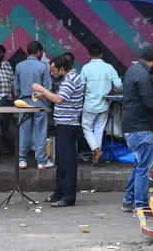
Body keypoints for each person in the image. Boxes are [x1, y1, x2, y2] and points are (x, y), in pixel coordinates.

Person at [32, 56, 84, 207]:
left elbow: (59, 100)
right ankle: (59, 193)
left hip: (68, 125)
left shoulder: (70, 79)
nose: (53, 74)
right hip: (63, 124)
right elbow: (61, 96)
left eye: (54, 71)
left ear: (62, 69)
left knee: (67, 162)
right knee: (61, 162)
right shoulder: (69, 78)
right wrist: (43, 95)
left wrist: (42, 89)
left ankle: (68, 197)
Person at [121, 45, 153, 213]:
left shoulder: (133, 70)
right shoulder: (143, 75)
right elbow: (151, 104)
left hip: (132, 126)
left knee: (139, 164)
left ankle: (128, 200)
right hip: (140, 127)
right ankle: (140, 204)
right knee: (144, 167)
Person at [13, 40, 54, 170]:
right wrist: (47, 102)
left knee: (24, 132)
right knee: (40, 132)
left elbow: (16, 88)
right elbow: (48, 88)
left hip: (24, 103)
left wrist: (20, 98)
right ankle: (41, 161)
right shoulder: (43, 67)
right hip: (40, 103)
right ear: (38, 52)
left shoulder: (19, 66)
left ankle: (22, 160)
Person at [80, 44, 122, 166]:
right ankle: (96, 156)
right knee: (99, 129)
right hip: (104, 104)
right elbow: (119, 85)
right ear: (101, 55)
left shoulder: (86, 68)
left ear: (89, 56)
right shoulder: (109, 68)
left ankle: (96, 151)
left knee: (87, 128)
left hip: (90, 105)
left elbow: (81, 87)